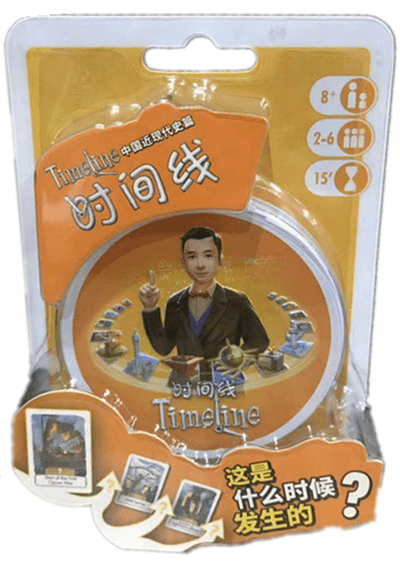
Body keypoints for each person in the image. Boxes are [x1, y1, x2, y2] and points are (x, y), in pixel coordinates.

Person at [138, 226, 269, 381]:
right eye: (192, 257)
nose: (200, 264)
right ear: (183, 262)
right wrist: (150, 308)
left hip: (225, 380)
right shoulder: (175, 302)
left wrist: (241, 359)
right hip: (185, 383)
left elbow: (259, 340)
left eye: (208, 256)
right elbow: (163, 348)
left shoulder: (237, 300)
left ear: (219, 259)